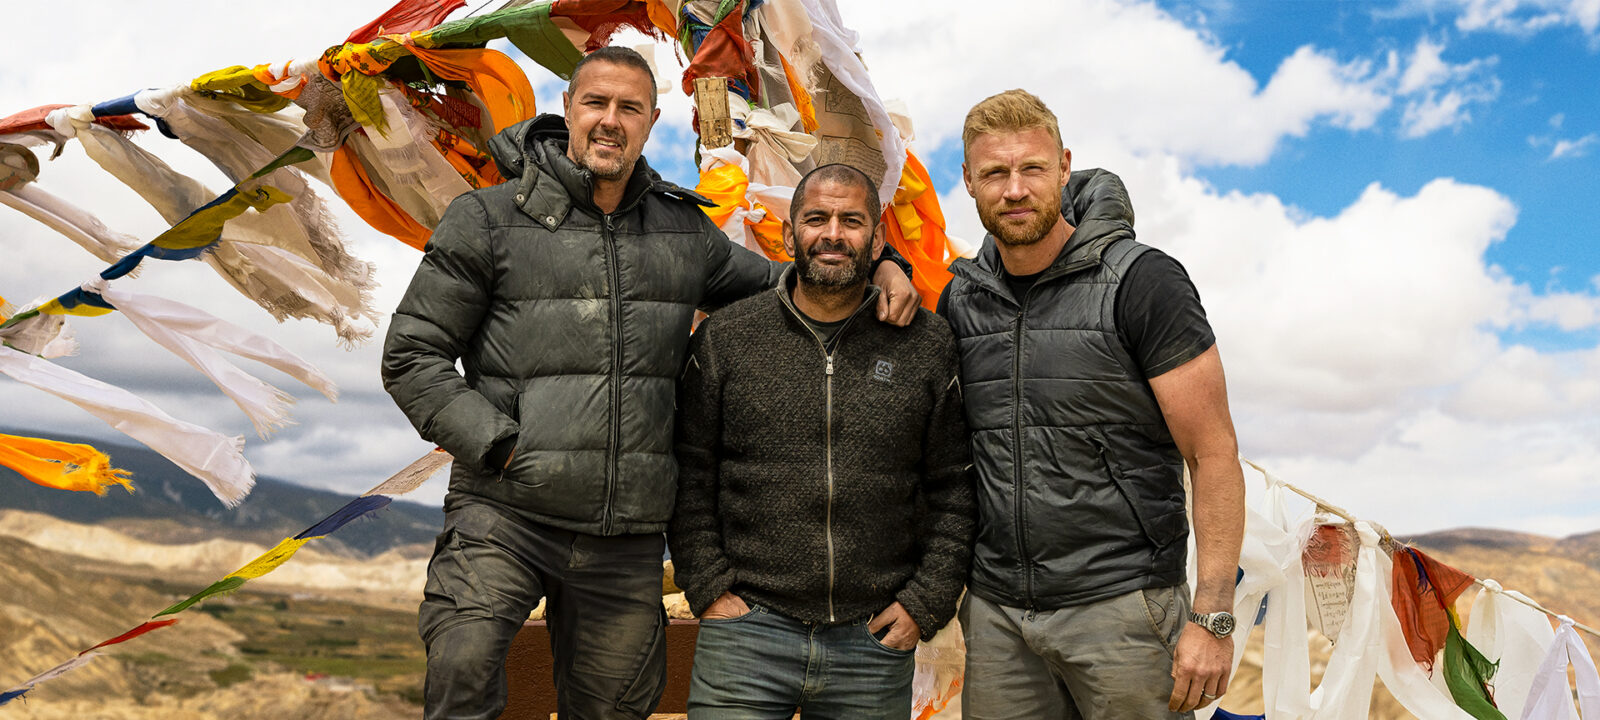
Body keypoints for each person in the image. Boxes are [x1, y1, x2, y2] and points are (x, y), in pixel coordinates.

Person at [381, 47, 920, 720]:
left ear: (651, 122)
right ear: (568, 110)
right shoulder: (487, 220)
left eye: (630, 108)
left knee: (614, 708)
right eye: (596, 103)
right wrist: (502, 445)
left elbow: (794, 285)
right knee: (462, 665)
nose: (611, 120)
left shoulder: (681, 231)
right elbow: (412, 354)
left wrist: (886, 265)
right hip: (504, 513)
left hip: (626, 534)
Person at [937, 89, 1246, 719]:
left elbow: (1212, 452)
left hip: (1122, 607)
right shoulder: (962, 300)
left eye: (1032, 168)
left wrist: (1212, 617)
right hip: (998, 616)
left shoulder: (1142, 281)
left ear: (1064, 168)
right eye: (994, 173)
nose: (1015, 190)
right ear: (967, 180)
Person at [668, 163, 975, 720]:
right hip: (746, 636)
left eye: (851, 221)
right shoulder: (726, 338)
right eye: (816, 219)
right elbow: (690, 474)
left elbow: (954, 487)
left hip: (872, 641)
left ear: (877, 241)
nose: (833, 234)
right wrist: (709, 588)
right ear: (790, 235)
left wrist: (923, 602)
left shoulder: (925, 344)